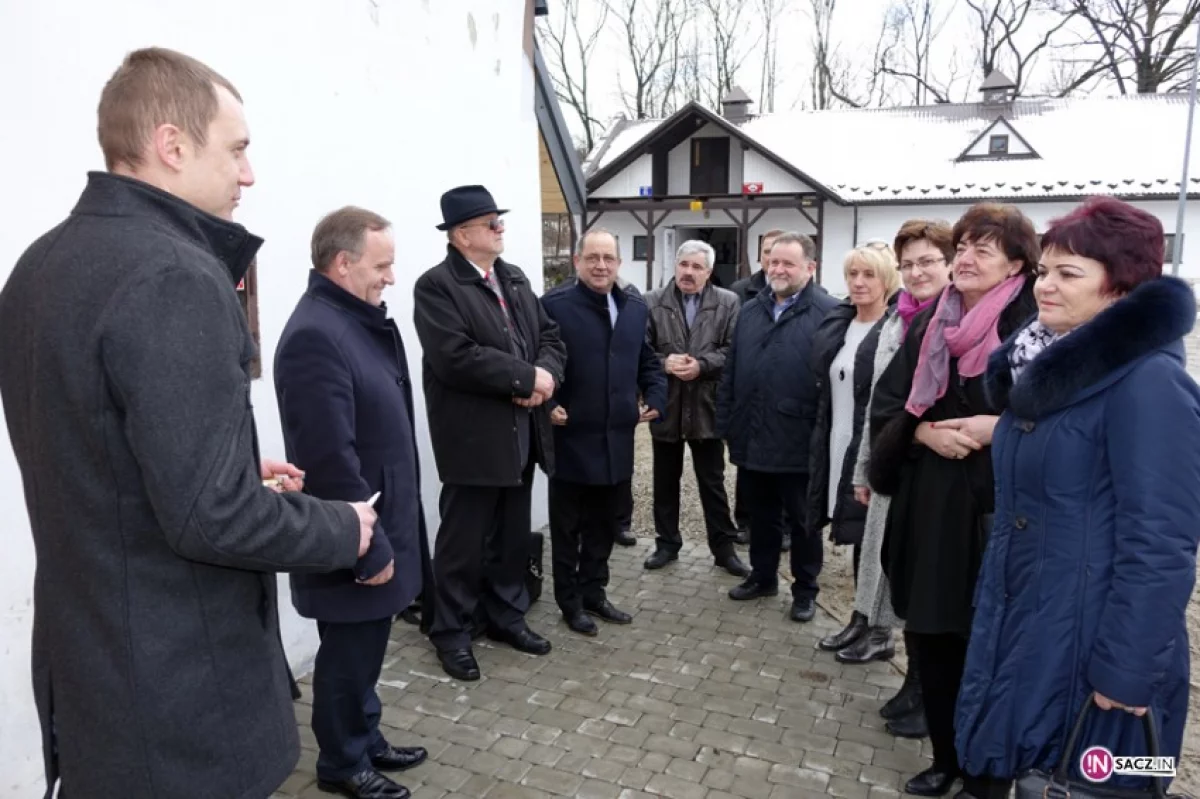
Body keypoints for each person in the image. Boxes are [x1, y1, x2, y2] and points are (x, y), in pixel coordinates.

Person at [0, 48, 377, 799]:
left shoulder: (37, 266)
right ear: (172, 146)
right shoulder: (174, 273)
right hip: (178, 701)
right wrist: (343, 528)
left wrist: (232, 458)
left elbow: (100, 456)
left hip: (90, 674)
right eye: (236, 149)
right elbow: (213, 518)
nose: (249, 174)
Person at [954, 197, 1200, 799]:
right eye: (1044, 271)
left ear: (1121, 287)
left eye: (1069, 274)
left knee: (1083, 780)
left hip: (1094, 647)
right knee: (1019, 768)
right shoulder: (1041, 368)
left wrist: (1128, 669)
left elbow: (1162, 541)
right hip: (1033, 622)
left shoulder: (1149, 383)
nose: (1046, 287)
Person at [868, 203, 1038, 797]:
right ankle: (945, 756)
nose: (964, 258)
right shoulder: (930, 323)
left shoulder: (1034, 325)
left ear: (1017, 263)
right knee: (932, 636)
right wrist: (920, 432)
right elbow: (891, 403)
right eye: (961, 246)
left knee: (988, 646)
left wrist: (1000, 426)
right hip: (929, 501)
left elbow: (1058, 420)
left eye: (981, 250)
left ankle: (987, 774)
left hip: (997, 511)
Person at [275, 207, 431, 799]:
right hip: (352, 535)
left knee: (367, 646)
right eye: (381, 265)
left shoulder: (348, 320)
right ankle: (341, 763)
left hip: (376, 523)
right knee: (345, 656)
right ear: (342, 264)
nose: (390, 277)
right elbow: (330, 461)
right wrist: (367, 550)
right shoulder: (317, 335)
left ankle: (365, 737)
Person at [413, 185, 567, 682]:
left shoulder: (515, 278)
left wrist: (543, 376)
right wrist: (524, 379)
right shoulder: (436, 287)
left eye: (499, 221)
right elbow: (455, 356)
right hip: (474, 442)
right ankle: (451, 632)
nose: (501, 229)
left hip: (521, 436)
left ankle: (506, 616)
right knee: (462, 543)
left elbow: (549, 337)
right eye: (490, 223)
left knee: (510, 540)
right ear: (462, 235)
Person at [844, 220, 954, 741]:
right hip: (895, 460)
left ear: (951, 263)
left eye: (928, 261)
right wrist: (866, 466)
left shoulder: (952, 323)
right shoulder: (898, 320)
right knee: (888, 564)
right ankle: (905, 668)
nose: (917, 272)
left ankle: (922, 684)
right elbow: (875, 406)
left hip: (932, 472)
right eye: (909, 263)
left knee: (924, 584)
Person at [540, 229, 667, 636]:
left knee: (604, 525)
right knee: (567, 528)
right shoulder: (555, 305)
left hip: (616, 439)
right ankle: (570, 601)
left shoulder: (633, 306)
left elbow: (647, 359)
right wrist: (546, 402)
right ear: (577, 261)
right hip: (572, 435)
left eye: (608, 258)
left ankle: (595, 592)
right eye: (592, 257)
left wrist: (657, 394)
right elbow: (537, 359)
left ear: (618, 263)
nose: (600, 265)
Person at [716, 232, 838, 622]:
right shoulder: (751, 309)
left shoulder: (829, 313)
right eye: (773, 262)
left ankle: (805, 590)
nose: (778, 270)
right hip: (752, 434)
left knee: (804, 522)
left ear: (810, 268)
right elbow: (732, 370)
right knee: (760, 516)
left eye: (788, 263)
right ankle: (763, 576)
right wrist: (726, 422)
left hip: (799, 440)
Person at [807, 241, 899, 657]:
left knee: (873, 538)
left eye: (869, 275)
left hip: (870, 445)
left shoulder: (895, 329)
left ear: (887, 281)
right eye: (852, 275)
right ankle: (859, 620)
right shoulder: (841, 322)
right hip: (836, 439)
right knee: (854, 533)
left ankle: (878, 631)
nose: (859, 283)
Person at [643, 240, 749, 577]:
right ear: (675, 265)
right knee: (664, 480)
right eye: (684, 264)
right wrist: (664, 362)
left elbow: (734, 351)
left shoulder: (729, 302)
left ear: (709, 271)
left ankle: (723, 549)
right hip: (668, 406)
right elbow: (640, 351)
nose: (688, 272)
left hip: (707, 407)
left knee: (712, 482)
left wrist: (702, 365)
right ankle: (666, 543)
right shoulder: (651, 302)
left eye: (697, 267)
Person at [729, 229, 787, 546]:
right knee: (748, 467)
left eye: (779, 254)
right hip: (749, 395)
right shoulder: (740, 291)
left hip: (783, 398)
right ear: (759, 255)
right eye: (767, 252)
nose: (771, 261)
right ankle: (745, 522)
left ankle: (785, 527)